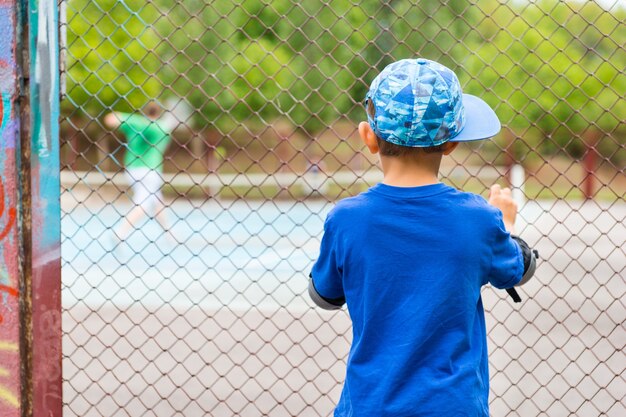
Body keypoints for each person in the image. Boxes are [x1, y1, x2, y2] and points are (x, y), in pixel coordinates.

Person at [308, 58, 538, 416]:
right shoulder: (478, 219)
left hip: (370, 406)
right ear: (452, 145)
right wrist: (505, 226)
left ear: (368, 137)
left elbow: (323, 295)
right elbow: (518, 269)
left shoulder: (346, 219)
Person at [104, 102, 175, 243]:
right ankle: (120, 233)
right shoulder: (162, 128)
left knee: (156, 201)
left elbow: (110, 119)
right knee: (143, 203)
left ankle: (169, 233)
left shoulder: (134, 122)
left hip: (131, 168)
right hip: (150, 170)